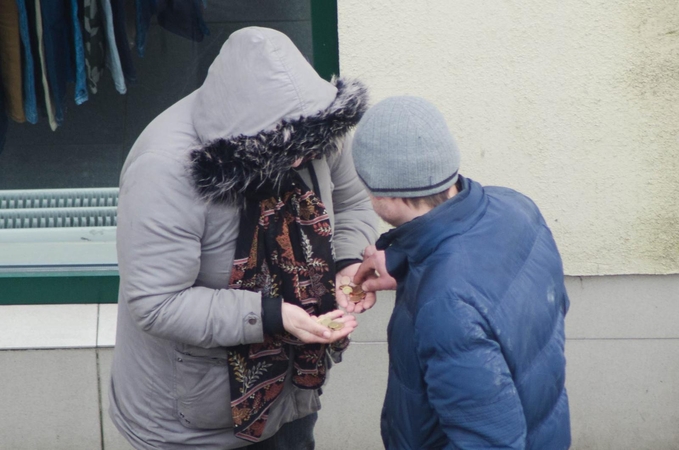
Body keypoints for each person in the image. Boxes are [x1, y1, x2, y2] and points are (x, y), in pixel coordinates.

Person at [109, 27, 378, 449]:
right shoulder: (162, 170)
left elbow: (353, 204)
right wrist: (271, 316)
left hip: (293, 393)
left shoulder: (313, 125)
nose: (301, 160)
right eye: (286, 152)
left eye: (307, 148)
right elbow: (157, 303)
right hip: (194, 421)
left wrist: (345, 265)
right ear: (247, 143)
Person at [346, 96, 571, 449]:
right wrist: (406, 264)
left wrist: (431, 282)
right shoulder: (515, 206)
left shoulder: (446, 304)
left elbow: (488, 442)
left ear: (386, 191)